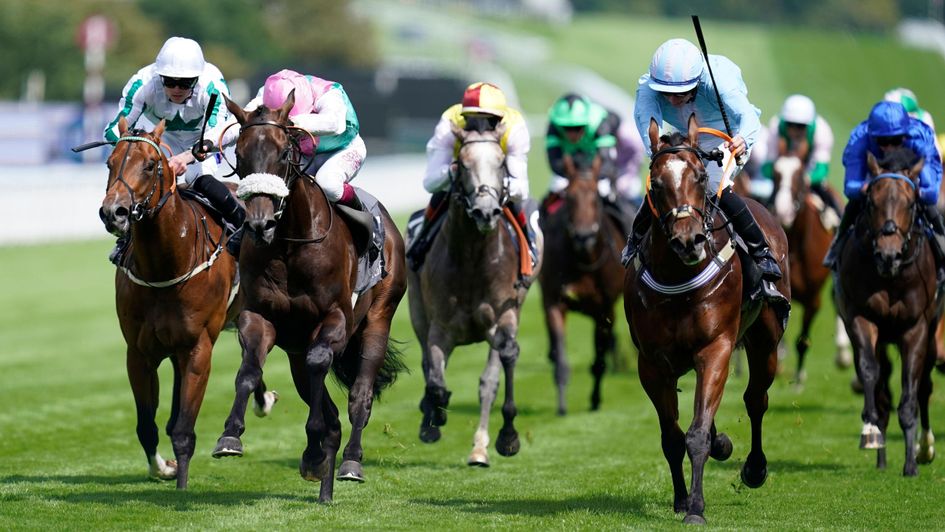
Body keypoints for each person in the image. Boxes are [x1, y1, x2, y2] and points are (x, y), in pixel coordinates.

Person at [628, 37, 782, 300]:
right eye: (666, 94)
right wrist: (662, 158)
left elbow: (749, 118)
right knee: (667, 180)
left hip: (730, 135)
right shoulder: (647, 89)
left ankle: (762, 254)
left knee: (710, 184)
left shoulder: (717, 80)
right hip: (687, 136)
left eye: (680, 94)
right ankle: (635, 241)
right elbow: (648, 133)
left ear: (696, 83)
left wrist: (741, 140)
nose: (673, 100)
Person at [103, 37, 242, 262]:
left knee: (202, 178)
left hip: (203, 139)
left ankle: (242, 228)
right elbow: (113, 129)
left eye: (185, 83)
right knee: (142, 181)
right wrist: (136, 149)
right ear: (159, 76)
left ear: (197, 79)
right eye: (169, 81)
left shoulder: (213, 86)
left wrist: (186, 158)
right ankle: (126, 239)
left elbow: (217, 134)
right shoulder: (142, 84)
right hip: (161, 139)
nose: (176, 88)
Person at [405, 81, 538, 274]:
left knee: (515, 203)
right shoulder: (449, 123)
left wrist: (499, 184)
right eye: (473, 121)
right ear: (463, 117)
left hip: (499, 178)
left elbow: (521, 189)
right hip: (463, 177)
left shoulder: (514, 128)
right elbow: (431, 182)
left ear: (499, 120)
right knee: (441, 194)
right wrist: (452, 172)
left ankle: (529, 247)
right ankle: (420, 243)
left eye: (488, 121)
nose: (481, 128)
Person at [823, 100, 945, 273]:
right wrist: (864, 188)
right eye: (883, 141)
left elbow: (932, 192)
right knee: (853, 206)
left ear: (905, 135)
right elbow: (851, 186)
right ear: (872, 136)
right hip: (874, 180)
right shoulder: (860, 140)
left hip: (909, 182)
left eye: (895, 141)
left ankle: (941, 249)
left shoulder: (920, 139)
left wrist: (920, 192)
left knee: (930, 208)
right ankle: (837, 248)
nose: (889, 148)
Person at [544, 93, 644, 232]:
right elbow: (555, 163)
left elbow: (607, 164)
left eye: (578, 127)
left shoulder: (600, 124)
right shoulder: (553, 126)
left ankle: (636, 231)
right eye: (566, 128)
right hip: (583, 155)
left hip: (622, 150)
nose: (572, 133)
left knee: (623, 189)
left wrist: (587, 177)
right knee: (555, 190)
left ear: (586, 122)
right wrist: (576, 177)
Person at [760, 94, 841, 216]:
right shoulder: (775, 126)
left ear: (809, 125)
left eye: (800, 126)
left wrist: (803, 179)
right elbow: (767, 166)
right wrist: (782, 176)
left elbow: (821, 170)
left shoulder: (822, 132)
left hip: (808, 175)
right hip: (781, 176)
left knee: (833, 207)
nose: (794, 130)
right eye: (790, 124)